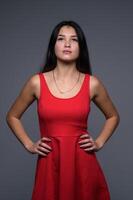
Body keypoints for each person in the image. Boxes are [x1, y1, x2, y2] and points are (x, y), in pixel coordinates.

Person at [6, 20, 120, 200]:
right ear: (53, 45)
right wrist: (29, 144)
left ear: (80, 47)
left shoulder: (92, 84)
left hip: (82, 164)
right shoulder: (37, 82)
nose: (67, 44)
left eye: (74, 39)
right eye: (61, 38)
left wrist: (98, 142)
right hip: (50, 164)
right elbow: (12, 116)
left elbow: (113, 116)